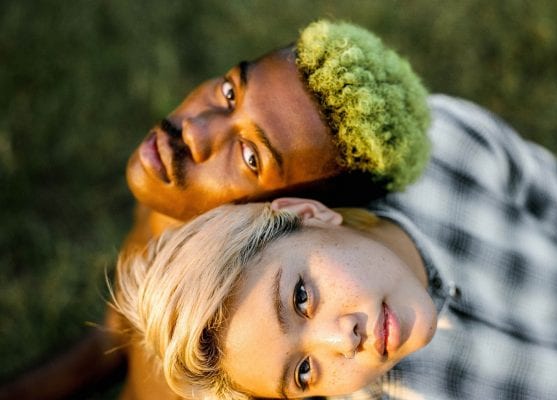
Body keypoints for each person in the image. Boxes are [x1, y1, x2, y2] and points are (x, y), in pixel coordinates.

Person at [0, 20, 431, 400]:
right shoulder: (172, 205)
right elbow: (110, 340)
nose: (194, 130)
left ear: (300, 213)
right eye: (230, 92)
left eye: (250, 159)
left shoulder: (260, 360)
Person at [113, 93, 557, 399]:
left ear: (307, 214)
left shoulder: (446, 150)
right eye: (303, 373)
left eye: (301, 298)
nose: (341, 342)